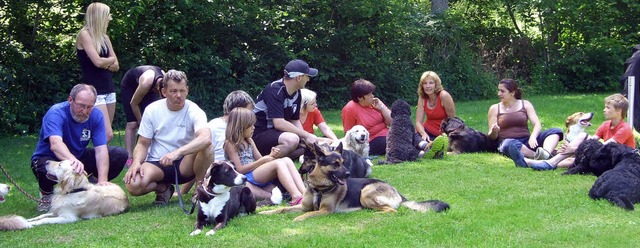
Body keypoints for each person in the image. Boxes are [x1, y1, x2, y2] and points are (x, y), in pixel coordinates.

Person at [31, 84, 127, 212]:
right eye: (81, 106)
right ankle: (46, 195)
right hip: (51, 158)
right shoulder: (56, 113)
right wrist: (72, 161)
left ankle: (91, 186)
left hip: (78, 155)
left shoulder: (96, 115)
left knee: (119, 154)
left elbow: (101, 150)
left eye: (89, 107)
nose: (85, 111)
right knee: (44, 169)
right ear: (70, 100)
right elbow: (55, 144)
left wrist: (103, 181)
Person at [124, 69, 213, 205]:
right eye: (174, 91)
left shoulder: (194, 110)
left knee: (208, 147)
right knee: (133, 185)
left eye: (182, 91)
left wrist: (177, 153)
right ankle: (163, 188)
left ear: (187, 90)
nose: (179, 95)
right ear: (164, 92)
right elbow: (142, 143)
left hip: (185, 164)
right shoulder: (152, 110)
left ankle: (200, 189)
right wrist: (136, 162)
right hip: (157, 162)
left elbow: (206, 138)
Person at [177, 90, 276, 203]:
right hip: (223, 176)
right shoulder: (213, 127)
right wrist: (186, 189)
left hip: (243, 172)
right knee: (242, 184)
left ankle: (276, 194)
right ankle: (270, 197)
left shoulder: (245, 134)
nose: (251, 116)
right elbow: (199, 160)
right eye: (248, 111)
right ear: (238, 110)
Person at [529, 93, 636, 170]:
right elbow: (592, 141)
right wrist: (573, 148)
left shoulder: (624, 128)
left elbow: (605, 147)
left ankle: (542, 162)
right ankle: (546, 162)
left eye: (608, 108)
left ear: (618, 111)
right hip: (604, 156)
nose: (604, 110)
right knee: (582, 136)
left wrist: (574, 149)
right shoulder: (605, 125)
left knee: (571, 161)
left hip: (618, 160)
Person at [224, 108, 306, 205]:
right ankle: (295, 196)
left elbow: (260, 159)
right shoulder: (230, 144)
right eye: (250, 125)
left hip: (255, 173)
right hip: (245, 177)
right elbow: (239, 169)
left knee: (287, 160)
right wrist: (263, 160)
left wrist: (270, 156)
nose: (253, 128)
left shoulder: (249, 140)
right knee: (279, 163)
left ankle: (305, 193)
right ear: (241, 126)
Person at [253, 59, 325, 159]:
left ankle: (279, 157)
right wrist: (306, 135)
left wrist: (305, 139)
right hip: (259, 133)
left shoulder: (297, 93)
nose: (308, 79)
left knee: (308, 145)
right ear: (299, 77)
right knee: (292, 140)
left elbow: (294, 120)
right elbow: (279, 123)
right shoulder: (275, 90)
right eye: (307, 76)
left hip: (276, 134)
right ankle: (265, 161)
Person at [487, 78, 563, 168]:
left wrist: (533, 137)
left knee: (555, 131)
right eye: (498, 90)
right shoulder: (495, 108)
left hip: (528, 141)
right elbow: (491, 137)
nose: (499, 94)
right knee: (509, 143)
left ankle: (545, 153)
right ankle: (538, 156)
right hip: (508, 143)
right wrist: (494, 131)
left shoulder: (525, 104)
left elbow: (537, 124)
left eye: (502, 91)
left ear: (512, 92)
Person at [76, 2, 119, 142]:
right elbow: (97, 62)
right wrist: (108, 61)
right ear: (99, 16)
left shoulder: (105, 38)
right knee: (107, 134)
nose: (110, 18)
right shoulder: (84, 34)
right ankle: (97, 162)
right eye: (108, 15)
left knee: (105, 135)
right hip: (94, 91)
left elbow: (116, 65)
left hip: (108, 89)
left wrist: (105, 62)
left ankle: (103, 163)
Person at [120, 65, 164, 167]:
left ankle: (149, 155)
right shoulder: (147, 82)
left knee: (153, 121)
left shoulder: (165, 79)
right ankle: (129, 157)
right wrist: (142, 122)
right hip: (130, 87)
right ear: (158, 87)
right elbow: (133, 103)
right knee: (132, 123)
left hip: (150, 88)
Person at [415, 71, 456, 142]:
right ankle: (426, 146)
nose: (428, 86)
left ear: (436, 84)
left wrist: (449, 137)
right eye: (425, 83)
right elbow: (418, 122)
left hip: (443, 134)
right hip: (427, 131)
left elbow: (453, 120)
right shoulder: (422, 97)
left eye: (431, 83)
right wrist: (423, 133)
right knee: (414, 137)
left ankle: (429, 147)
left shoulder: (444, 95)